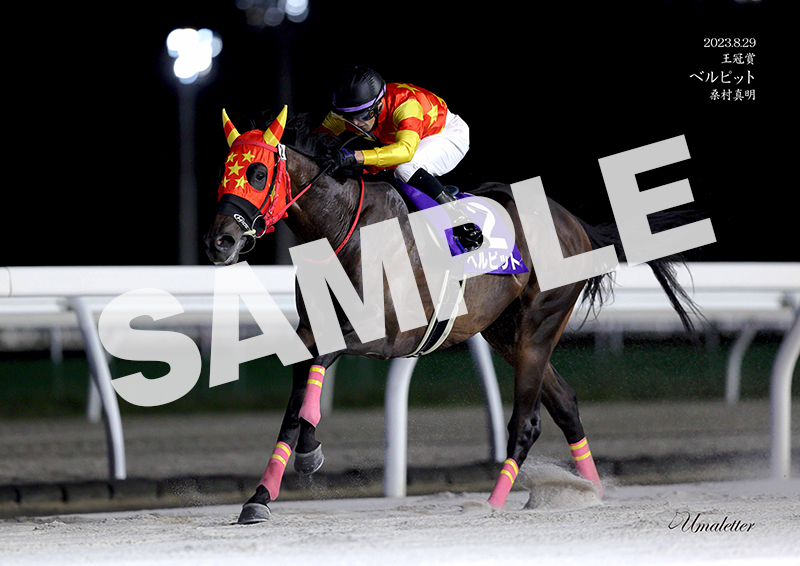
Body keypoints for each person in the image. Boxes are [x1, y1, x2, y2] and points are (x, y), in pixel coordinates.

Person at [318, 66, 483, 251]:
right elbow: (317, 138)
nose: (356, 122)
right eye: (349, 117)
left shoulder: (405, 105)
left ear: (378, 105)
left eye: (363, 116)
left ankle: (461, 219)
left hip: (447, 134)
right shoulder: (348, 112)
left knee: (404, 167)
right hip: (411, 138)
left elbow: (405, 151)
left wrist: (357, 156)